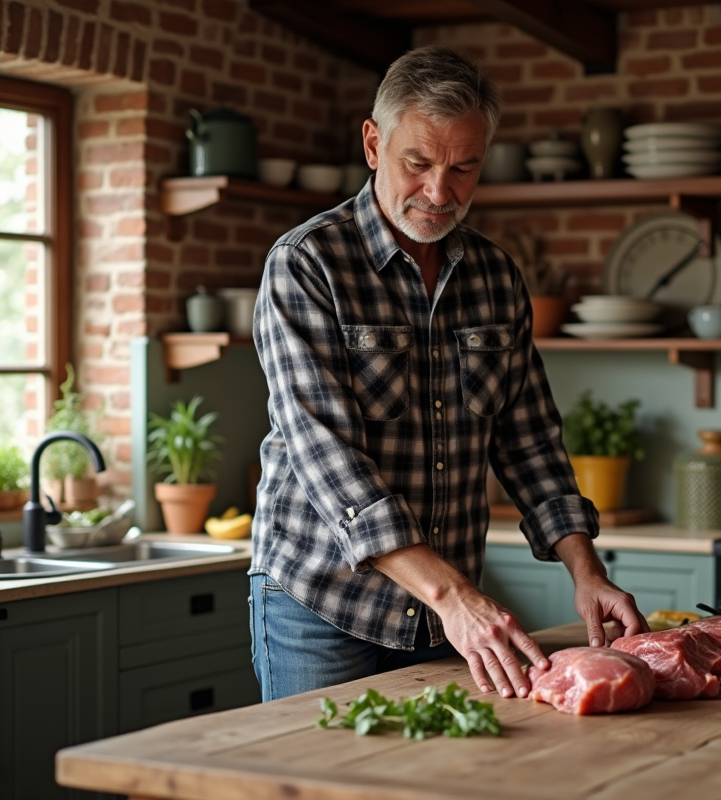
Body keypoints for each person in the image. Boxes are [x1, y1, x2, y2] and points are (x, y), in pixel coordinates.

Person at [249, 45, 646, 703]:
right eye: (419, 163)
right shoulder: (306, 264)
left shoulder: (495, 276)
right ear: (374, 145)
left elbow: (530, 441)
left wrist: (586, 569)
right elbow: (329, 458)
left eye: (464, 167)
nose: (440, 192)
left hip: (442, 611)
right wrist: (455, 594)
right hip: (321, 602)